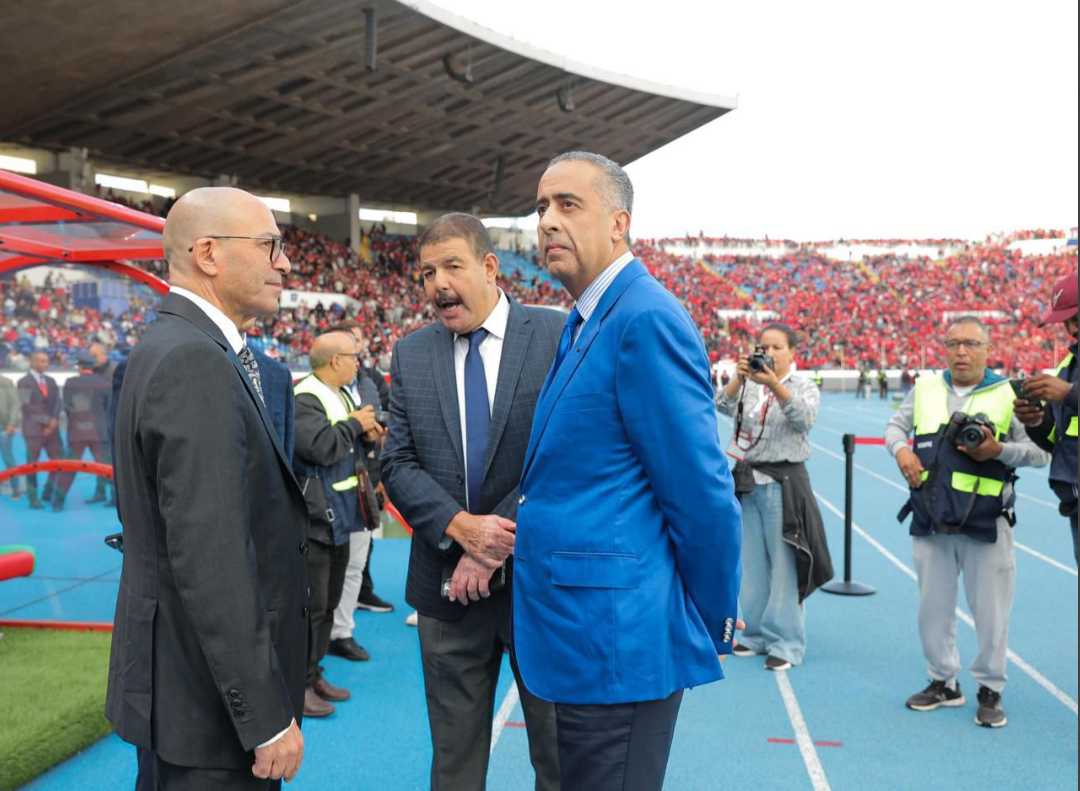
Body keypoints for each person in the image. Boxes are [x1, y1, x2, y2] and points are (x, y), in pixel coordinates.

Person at [514, 152, 743, 791]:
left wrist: (708, 618)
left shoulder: (644, 318)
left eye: (568, 204)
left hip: (618, 642)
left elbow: (702, 494)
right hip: (583, 635)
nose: (547, 221)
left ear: (619, 224)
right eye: (541, 207)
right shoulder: (591, 318)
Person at [106, 187, 309, 789]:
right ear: (208, 254)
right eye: (270, 245)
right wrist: (265, 717)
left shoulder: (178, 346)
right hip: (208, 710)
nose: (284, 263)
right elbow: (211, 556)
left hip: (189, 696)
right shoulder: (193, 360)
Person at [381, 212, 562, 791]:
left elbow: (569, 456)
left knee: (561, 759)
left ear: (489, 266)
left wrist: (491, 542)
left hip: (541, 586)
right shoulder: (412, 353)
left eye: (452, 266)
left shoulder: (557, 335)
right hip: (445, 589)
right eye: (427, 272)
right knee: (454, 765)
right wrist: (460, 527)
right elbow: (396, 463)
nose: (438, 284)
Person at [886, 316, 1049, 729]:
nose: (961, 351)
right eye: (954, 343)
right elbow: (895, 427)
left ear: (988, 349)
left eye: (971, 344)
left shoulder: (1010, 393)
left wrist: (999, 451)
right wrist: (900, 450)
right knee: (932, 609)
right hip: (930, 517)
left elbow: (1040, 452)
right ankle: (943, 681)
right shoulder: (924, 387)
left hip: (986, 523)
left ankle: (990, 689)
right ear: (944, 348)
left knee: (991, 614)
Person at [718, 324, 832, 670]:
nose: (768, 353)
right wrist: (739, 379)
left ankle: (786, 642)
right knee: (750, 565)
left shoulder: (803, 385)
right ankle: (754, 635)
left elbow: (805, 420)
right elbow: (721, 405)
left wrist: (774, 385)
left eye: (776, 347)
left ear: (792, 352)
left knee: (784, 567)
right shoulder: (749, 383)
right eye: (763, 347)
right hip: (746, 483)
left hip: (783, 484)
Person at [292, 331, 384, 718]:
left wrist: (368, 435)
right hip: (317, 517)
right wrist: (354, 425)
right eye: (353, 357)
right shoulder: (305, 397)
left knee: (327, 603)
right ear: (335, 361)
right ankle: (298, 686)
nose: (357, 364)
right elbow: (319, 448)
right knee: (311, 607)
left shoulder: (340, 393)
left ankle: (314, 674)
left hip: (341, 514)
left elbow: (346, 444)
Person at [330, 319, 396, 616]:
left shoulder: (371, 378)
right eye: (348, 339)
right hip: (336, 473)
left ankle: (361, 593)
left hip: (368, 468)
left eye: (356, 339)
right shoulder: (325, 384)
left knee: (363, 539)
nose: (354, 345)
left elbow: (389, 418)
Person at [1013, 272, 1078, 562]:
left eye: (1075, 318)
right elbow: (1057, 440)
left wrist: (1069, 393)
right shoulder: (1067, 366)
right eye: (1065, 321)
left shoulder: (1066, 379)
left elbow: (1070, 396)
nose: (1070, 329)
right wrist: (1035, 421)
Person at [53, 353, 111, 512]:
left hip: (77, 431)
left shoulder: (70, 383)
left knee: (69, 466)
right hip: (99, 431)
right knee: (105, 466)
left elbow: (67, 407)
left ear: (79, 366)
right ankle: (115, 498)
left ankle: (58, 501)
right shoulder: (104, 383)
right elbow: (109, 409)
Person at [17, 351, 63, 509]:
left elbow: (57, 402)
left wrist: (54, 420)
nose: (46, 364)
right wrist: (48, 421)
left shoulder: (51, 381)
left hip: (53, 430)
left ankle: (47, 491)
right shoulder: (23, 382)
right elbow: (27, 406)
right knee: (32, 465)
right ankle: (33, 498)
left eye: (47, 361)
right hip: (33, 431)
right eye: (43, 361)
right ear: (33, 362)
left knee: (58, 461)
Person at [84, 341, 115, 504]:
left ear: (104, 355)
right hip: (95, 426)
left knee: (109, 461)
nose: (92, 359)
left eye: (95, 356)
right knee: (99, 461)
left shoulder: (114, 371)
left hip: (110, 425)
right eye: (90, 356)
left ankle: (115, 495)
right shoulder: (91, 373)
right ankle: (101, 492)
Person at [0, 374, 21, 500]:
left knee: (8, 459)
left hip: (4, 428)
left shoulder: (6, 382)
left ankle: (16, 488)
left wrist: (12, 423)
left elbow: (15, 404)